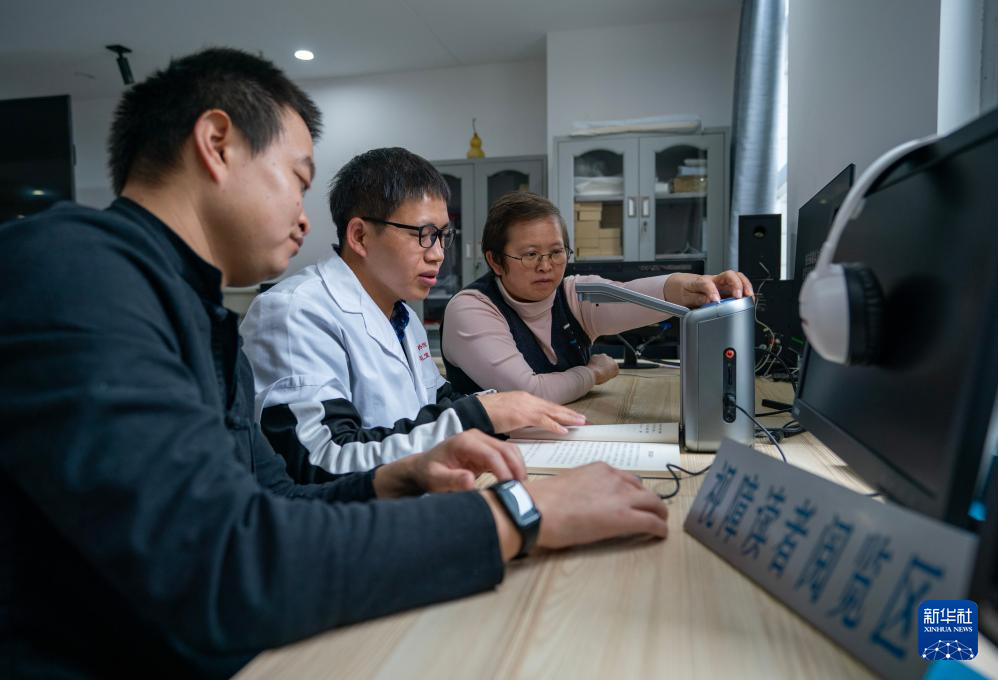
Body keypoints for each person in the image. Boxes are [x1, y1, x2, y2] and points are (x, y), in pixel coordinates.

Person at [0, 49, 668, 678]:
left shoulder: (199, 314)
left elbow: (279, 502)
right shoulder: (74, 271)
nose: (302, 218)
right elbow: (217, 563)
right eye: (297, 180)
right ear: (217, 143)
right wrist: (520, 513)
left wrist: (400, 477)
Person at [241, 148, 584, 478]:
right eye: (424, 234)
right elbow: (321, 461)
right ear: (360, 236)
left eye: (443, 236)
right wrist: (478, 414)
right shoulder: (295, 312)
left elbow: (436, 400)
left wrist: (508, 408)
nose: (438, 254)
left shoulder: (403, 316)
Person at [441, 192, 754, 404]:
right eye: (531, 255)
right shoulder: (471, 309)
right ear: (495, 261)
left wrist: (701, 286)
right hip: (490, 453)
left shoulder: (573, 294)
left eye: (557, 252)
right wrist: (593, 373)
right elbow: (529, 393)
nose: (546, 266)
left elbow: (640, 295)